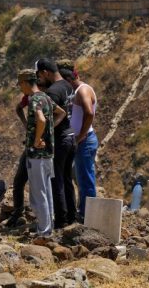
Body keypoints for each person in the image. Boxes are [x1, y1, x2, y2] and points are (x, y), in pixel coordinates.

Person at [20, 68, 61, 237]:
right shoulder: (46, 97)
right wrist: (47, 132)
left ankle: (43, 231)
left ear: (24, 83)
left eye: (20, 84)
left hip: (36, 155)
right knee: (46, 190)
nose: (20, 88)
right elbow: (61, 113)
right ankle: (48, 227)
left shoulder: (35, 98)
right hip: (48, 154)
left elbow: (42, 119)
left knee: (38, 192)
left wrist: (37, 139)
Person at [36, 58, 76, 228]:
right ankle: (72, 217)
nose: (40, 79)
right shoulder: (67, 86)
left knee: (56, 180)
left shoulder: (52, 92)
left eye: (40, 75)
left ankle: (61, 220)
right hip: (71, 136)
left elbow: (46, 120)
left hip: (60, 140)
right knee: (67, 179)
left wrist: (41, 137)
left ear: (45, 72)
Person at [59, 61, 98, 222]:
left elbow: (89, 113)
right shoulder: (76, 90)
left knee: (85, 179)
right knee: (79, 178)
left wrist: (80, 136)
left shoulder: (83, 90)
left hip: (85, 141)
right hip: (79, 141)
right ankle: (81, 212)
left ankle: (88, 216)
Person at [3, 85, 30, 229]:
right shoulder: (30, 97)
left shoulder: (45, 95)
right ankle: (18, 212)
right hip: (32, 144)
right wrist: (27, 126)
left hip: (42, 145)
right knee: (19, 181)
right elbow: (19, 108)